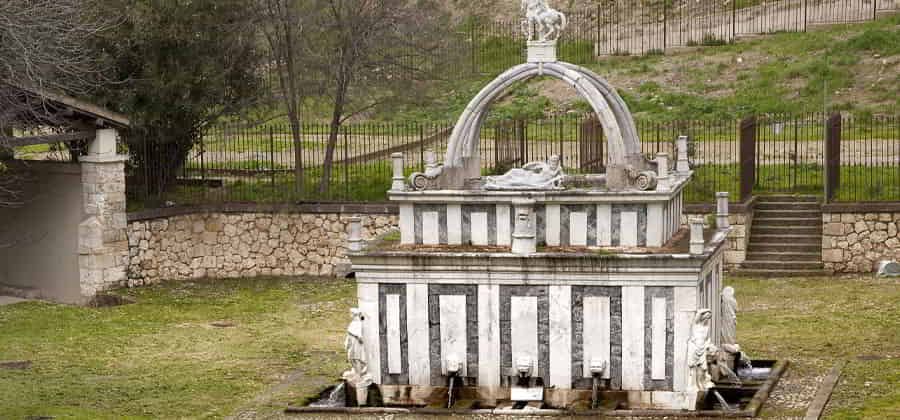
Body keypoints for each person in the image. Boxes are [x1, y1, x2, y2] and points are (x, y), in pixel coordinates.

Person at [484, 155, 565, 190]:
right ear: (549, 161)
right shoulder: (544, 165)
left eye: (556, 160)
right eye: (552, 160)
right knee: (513, 171)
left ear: (558, 161)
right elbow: (525, 167)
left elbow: (563, 178)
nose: (554, 162)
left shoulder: (558, 169)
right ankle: (496, 179)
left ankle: (496, 183)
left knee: (514, 182)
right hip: (531, 177)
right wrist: (536, 163)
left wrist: (560, 181)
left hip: (536, 182)